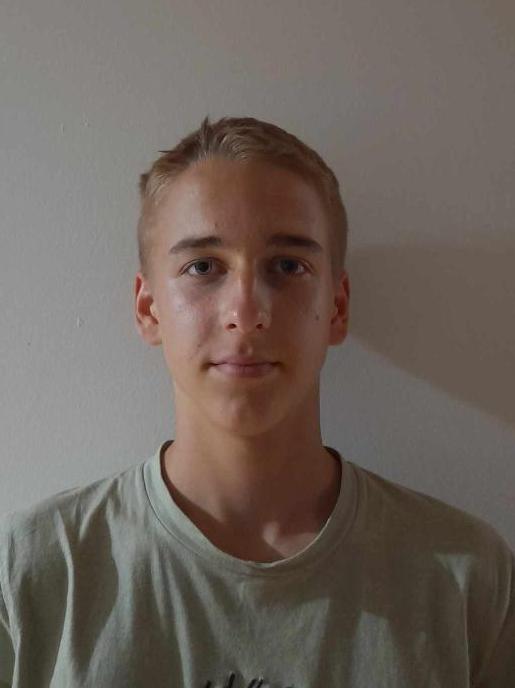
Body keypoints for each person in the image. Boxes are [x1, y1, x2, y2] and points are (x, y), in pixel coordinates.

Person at [0, 116, 513, 687]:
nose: (246, 311)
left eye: (288, 266)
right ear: (148, 309)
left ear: (337, 307)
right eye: (202, 267)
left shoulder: (468, 582)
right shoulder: (33, 574)